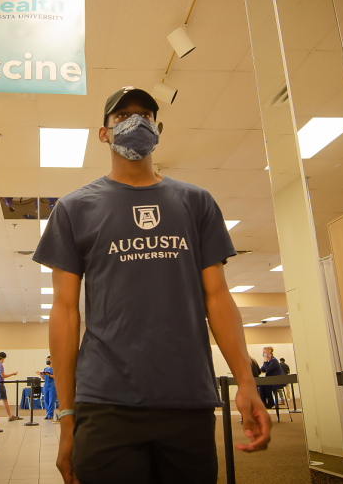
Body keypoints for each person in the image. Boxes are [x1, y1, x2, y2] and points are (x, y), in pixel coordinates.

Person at [33, 87, 272, 484]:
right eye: (122, 115)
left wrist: (246, 380)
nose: (135, 121)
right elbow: (65, 312)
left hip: (187, 397)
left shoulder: (196, 203)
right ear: (104, 133)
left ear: (158, 129)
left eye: (145, 115)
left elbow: (217, 297)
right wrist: (67, 414)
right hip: (106, 401)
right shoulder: (75, 209)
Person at [0, 352, 19, 421]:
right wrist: (12, 374)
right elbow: (3, 376)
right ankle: (10, 416)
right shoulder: (0, 365)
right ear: (3, 358)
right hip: (0, 385)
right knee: (4, 400)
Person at [38, 355, 57, 419]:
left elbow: (56, 377)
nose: (47, 361)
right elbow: (44, 378)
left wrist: (49, 375)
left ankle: (50, 415)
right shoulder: (45, 369)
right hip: (46, 386)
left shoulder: (54, 368)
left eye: (48, 360)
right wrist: (40, 374)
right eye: (46, 360)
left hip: (52, 386)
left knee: (51, 400)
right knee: (46, 400)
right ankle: (47, 414)